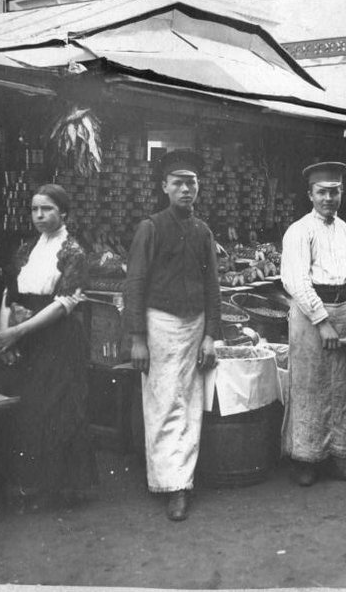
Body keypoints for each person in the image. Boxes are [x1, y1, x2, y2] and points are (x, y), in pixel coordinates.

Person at [124, 150, 219, 521]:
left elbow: (213, 286)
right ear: (164, 187)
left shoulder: (203, 230)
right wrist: (137, 337)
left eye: (191, 182)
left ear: (199, 188)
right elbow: (134, 283)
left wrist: (212, 334)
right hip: (159, 324)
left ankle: (183, 481)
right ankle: (168, 485)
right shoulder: (150, 227)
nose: (185, 189)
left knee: (191, 401)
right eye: (177, 182)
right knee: (162, 403)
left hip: (194, 325)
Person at [0, 183, 98, 512]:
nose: (39, 215)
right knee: (27, 409)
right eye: (35, 209)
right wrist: (3, 335)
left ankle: (60, 488)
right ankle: (29, 483)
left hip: (58, 338)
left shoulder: (74, 252)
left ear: (63, 212)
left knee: (57, 408)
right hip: (24, 336)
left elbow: (64, 303)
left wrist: (18, 331)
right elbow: (10, 294)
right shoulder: (25, 249)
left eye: (47, 209)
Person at [281, 161, 346, 487]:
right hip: (309, 315)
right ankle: (306, 458)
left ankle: (338, 454)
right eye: (322, 192)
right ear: (310, 194)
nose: (329, 198)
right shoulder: (299, 231)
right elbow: (296, 281)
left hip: (345, 310)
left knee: (343, 386)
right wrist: (322, 321)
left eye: (335, 191)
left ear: (342, 192)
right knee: (309, 384)